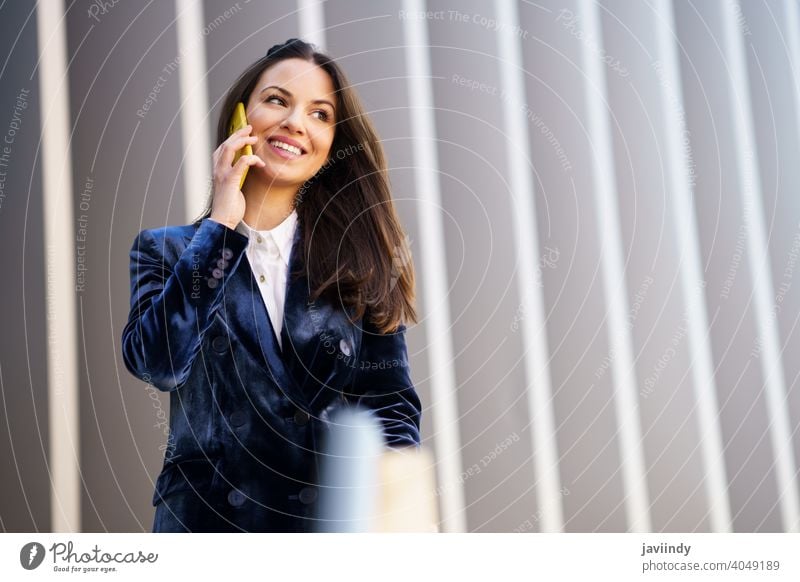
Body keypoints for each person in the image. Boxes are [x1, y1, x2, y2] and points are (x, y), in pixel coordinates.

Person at [121, 38, 422, 533]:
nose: (296, 123)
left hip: (325, 531)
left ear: (331, 147)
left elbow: (389, 405)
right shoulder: (165, 250)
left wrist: (384, 516)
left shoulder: (360, 260)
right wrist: (220, 227)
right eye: (278, 100)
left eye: (320, 114)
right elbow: (159, 365)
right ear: (242, 117)